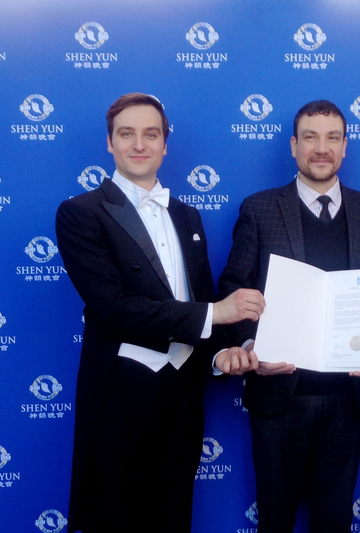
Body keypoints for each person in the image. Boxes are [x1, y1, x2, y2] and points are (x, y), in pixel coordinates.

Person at [55, 93, 264, 533]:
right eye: (126, 134)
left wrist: (221, 354)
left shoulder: (187, 215)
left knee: (173, 515)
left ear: (165, 145)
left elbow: (197, 296)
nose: (139, 144)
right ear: (109, 142)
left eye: (151, 134)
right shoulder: (80, 213)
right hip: (120, 392)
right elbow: (114, 308)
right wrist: (217, 313)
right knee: (114, 518)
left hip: (183, 392)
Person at [217, 100, 360, 532]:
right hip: (279, 396)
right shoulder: (259, 209)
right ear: (294, 146)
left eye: (332, 138)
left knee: (334, 522)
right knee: (275, 521)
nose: (321, 148)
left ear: (345, 146)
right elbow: (232, 290)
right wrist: (251, 348)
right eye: (311, 137)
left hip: (348, 397)